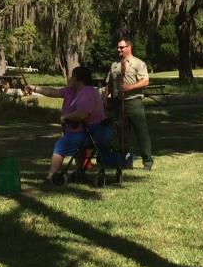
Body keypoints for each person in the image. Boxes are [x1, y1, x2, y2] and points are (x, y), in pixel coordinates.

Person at [26, 66, 106, 182]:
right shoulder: (71, 90)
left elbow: (82, 114)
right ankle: (80, 173)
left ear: (78, 79)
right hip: (78, 130)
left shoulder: (88, 93)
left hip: (90, 132)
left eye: (72, 76)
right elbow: (53, 91)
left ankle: (51, 176)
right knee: (78, 148)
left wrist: (66, 117)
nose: (70, 78)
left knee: (60, 146)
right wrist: (34, 88)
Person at [103, 36, 154, 170]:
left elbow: (145, 81)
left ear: (129, 48)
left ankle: (147, 162)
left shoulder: (138, 63)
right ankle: (125, 160)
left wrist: (128, 88)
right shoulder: (114, 65)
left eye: (121, 47)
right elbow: (109, 83)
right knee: (121, 132)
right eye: (118, 47)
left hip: (133, 102)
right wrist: (104, 97)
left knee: (141, 132)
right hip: (118, 103)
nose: (118, 49)